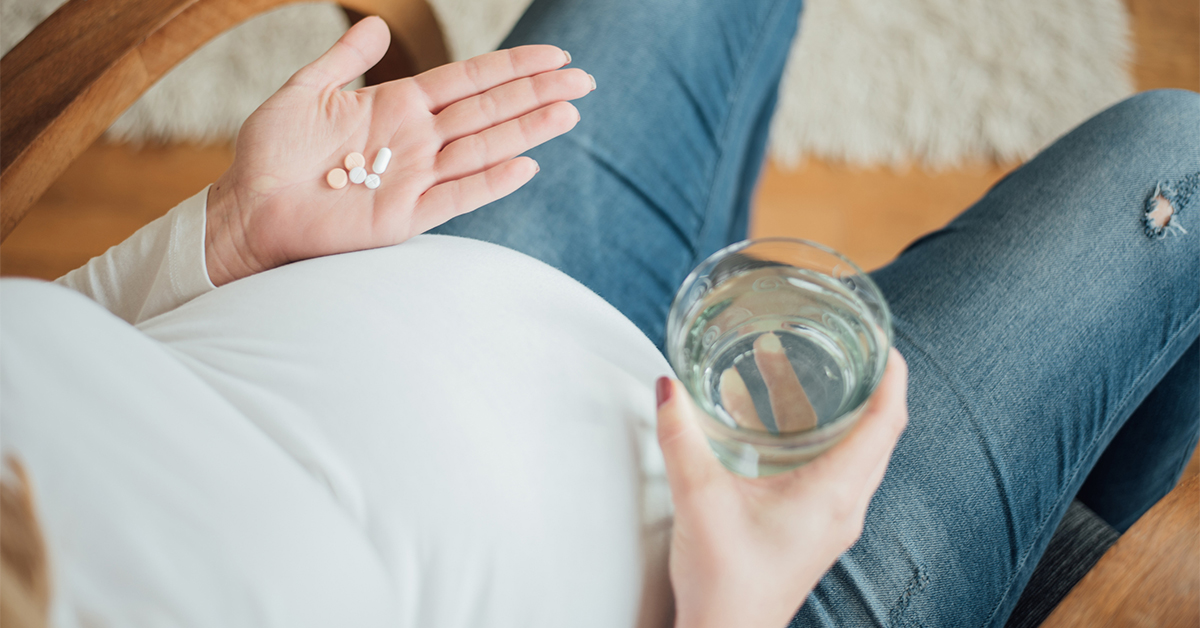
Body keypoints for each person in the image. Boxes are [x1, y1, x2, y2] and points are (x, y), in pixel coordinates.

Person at [1, 0, 1196, 625]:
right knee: (1179, 165)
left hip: (473, 278)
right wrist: (741, 599)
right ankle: (1067, 557)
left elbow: (58, 344)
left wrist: (223, 238)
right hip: (732, 578)